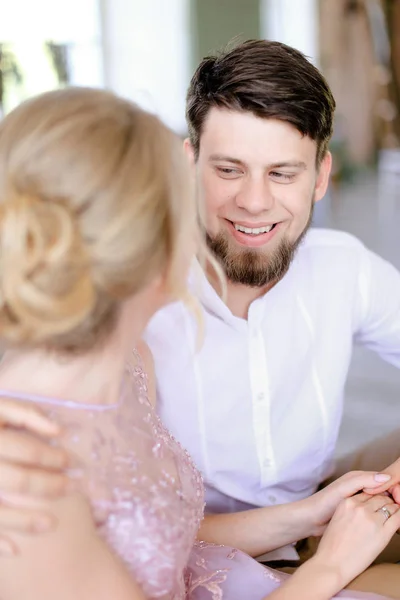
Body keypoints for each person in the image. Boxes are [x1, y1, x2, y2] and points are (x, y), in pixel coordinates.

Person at [0, 86, 399, 600]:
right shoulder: (30, 483)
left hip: (238, 553)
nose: (252, 203)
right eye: (226, 171)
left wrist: (309, 517)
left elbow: (168, 530)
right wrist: (332, 568)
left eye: (282, 172)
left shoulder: (126, 365)